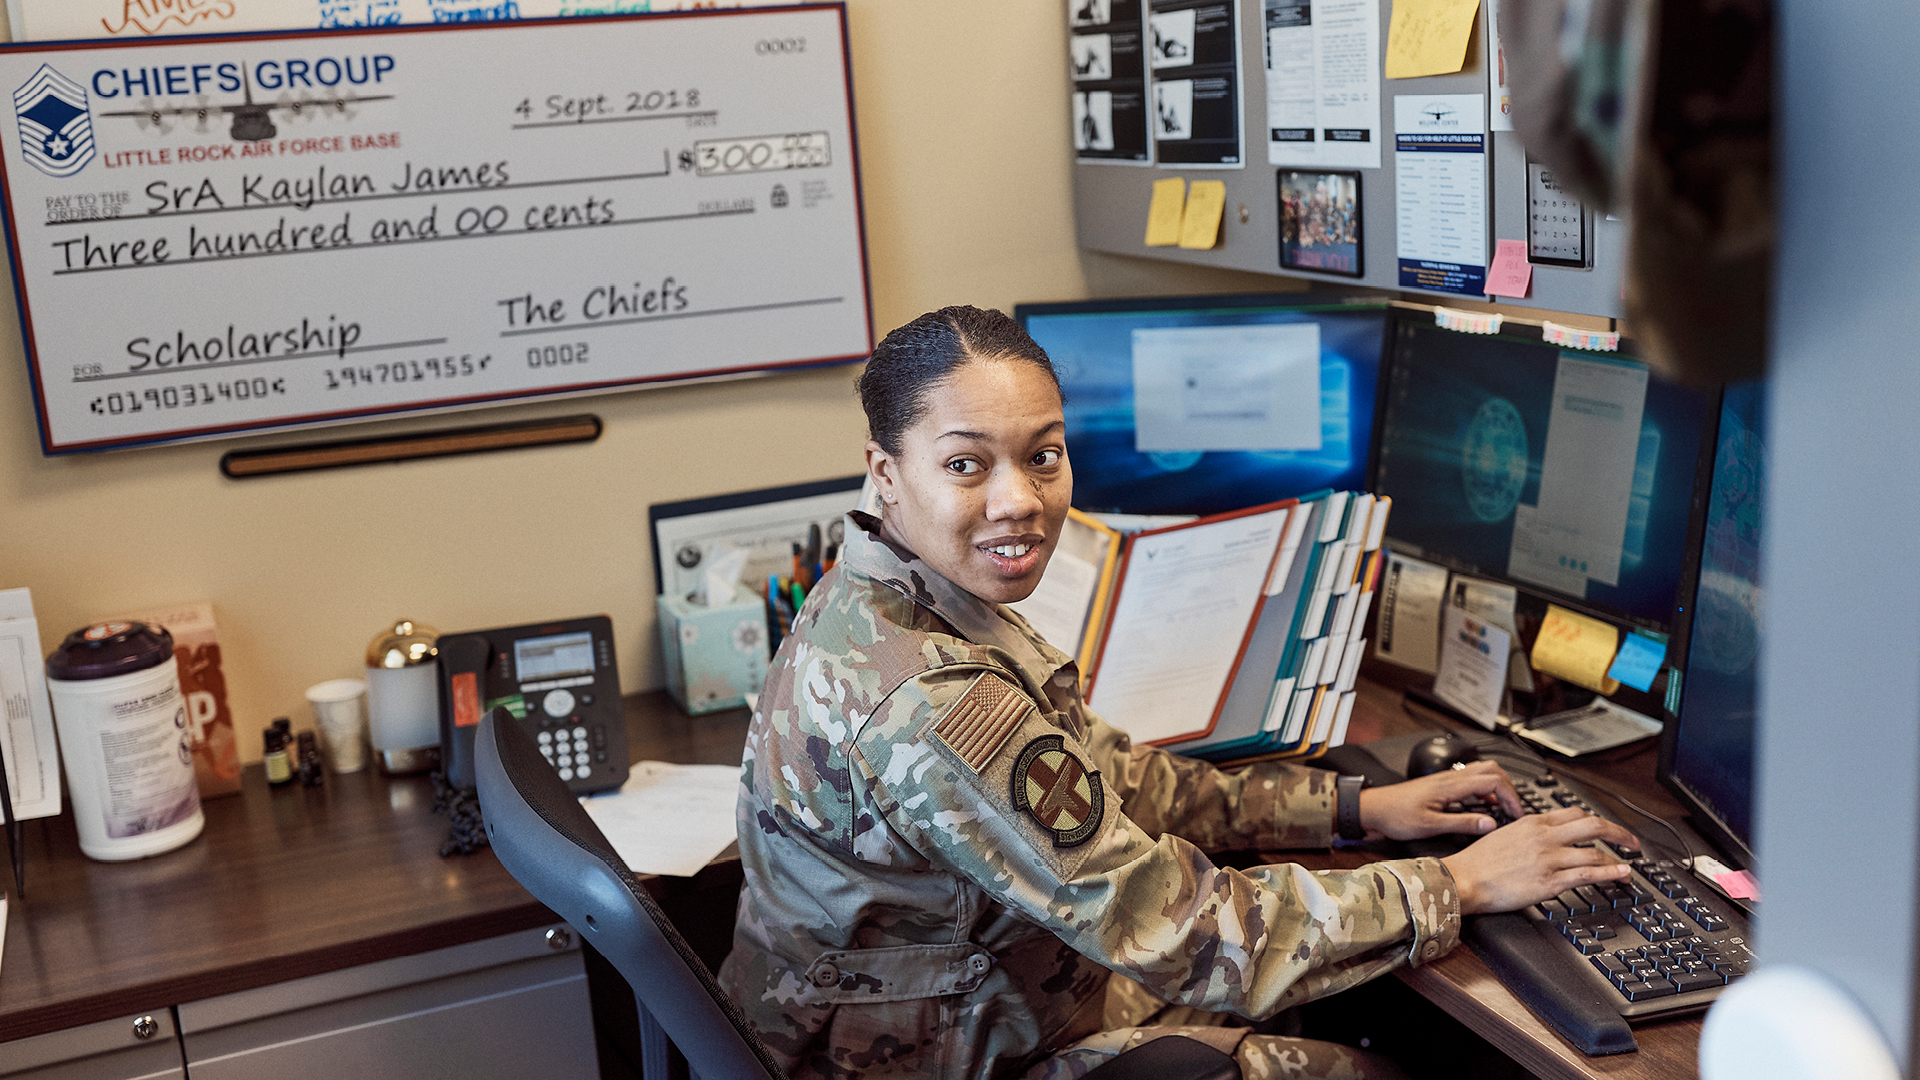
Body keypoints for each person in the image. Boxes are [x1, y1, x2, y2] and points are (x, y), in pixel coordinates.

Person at [717, 306, 1639, 1079]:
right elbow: (1188, 936)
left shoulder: (907, 593)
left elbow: (1107, 782)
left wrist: (1357, 807)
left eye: (1043, 456)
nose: (1020, 500)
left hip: (972, 999)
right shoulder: (927, 701)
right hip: (943, 1058)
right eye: (967, 465)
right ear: (886, 472)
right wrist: (1459, 884)